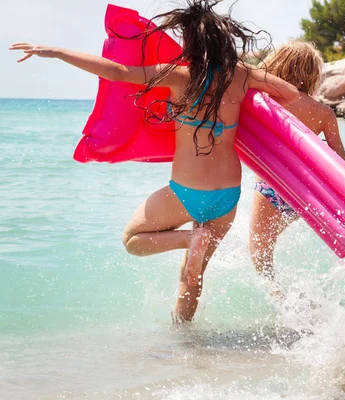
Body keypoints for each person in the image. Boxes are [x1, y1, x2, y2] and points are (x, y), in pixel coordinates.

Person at [9, 0, 299, 323]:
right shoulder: (242, 75)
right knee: (192, 275)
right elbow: (289, 95)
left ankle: (190, 239)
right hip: (229, 195)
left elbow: (116, 72)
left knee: (132, 239)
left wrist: (57, 52)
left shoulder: (179, 76)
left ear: (191, 43)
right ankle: (183, 340)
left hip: (188, 192)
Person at [248, 40, 345, 284]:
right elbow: (340, 157)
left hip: (270, 188)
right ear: (311, 75)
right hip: (302, 193)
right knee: (271, 243)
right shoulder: (323, 112)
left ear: (279, 66)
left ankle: (280, 300)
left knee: (260, 252)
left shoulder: (264, 100)